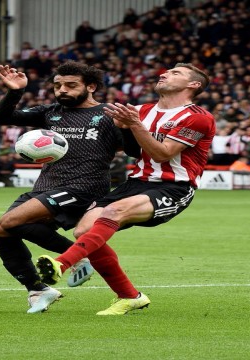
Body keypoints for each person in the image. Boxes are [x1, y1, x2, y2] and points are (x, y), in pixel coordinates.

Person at [36, 63, 216, 315]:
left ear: (193, 85)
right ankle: (130, 296)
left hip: (174, 186)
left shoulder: (197, 117)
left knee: (113, 212)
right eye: (165, 72)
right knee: (84, 230)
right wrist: (124, 127)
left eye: (175, 73)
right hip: (135, 183)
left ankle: (62, 263)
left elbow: (163, 154)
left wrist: (134, 124)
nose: (164, 73)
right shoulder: (141, 110)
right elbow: (131, 149)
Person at [0, 61, 137, 314]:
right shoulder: (51, 111)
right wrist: (15, 91)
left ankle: (76, 257)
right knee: (0, 232)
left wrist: (130, 128)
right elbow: (1, 118)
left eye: (70, 85)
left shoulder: (108, 115)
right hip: (47, 185)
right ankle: (38, 290)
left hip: (84, 187)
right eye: (57, 85)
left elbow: (134, 151)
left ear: (91, 86)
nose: (62, 90)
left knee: (12, 220)